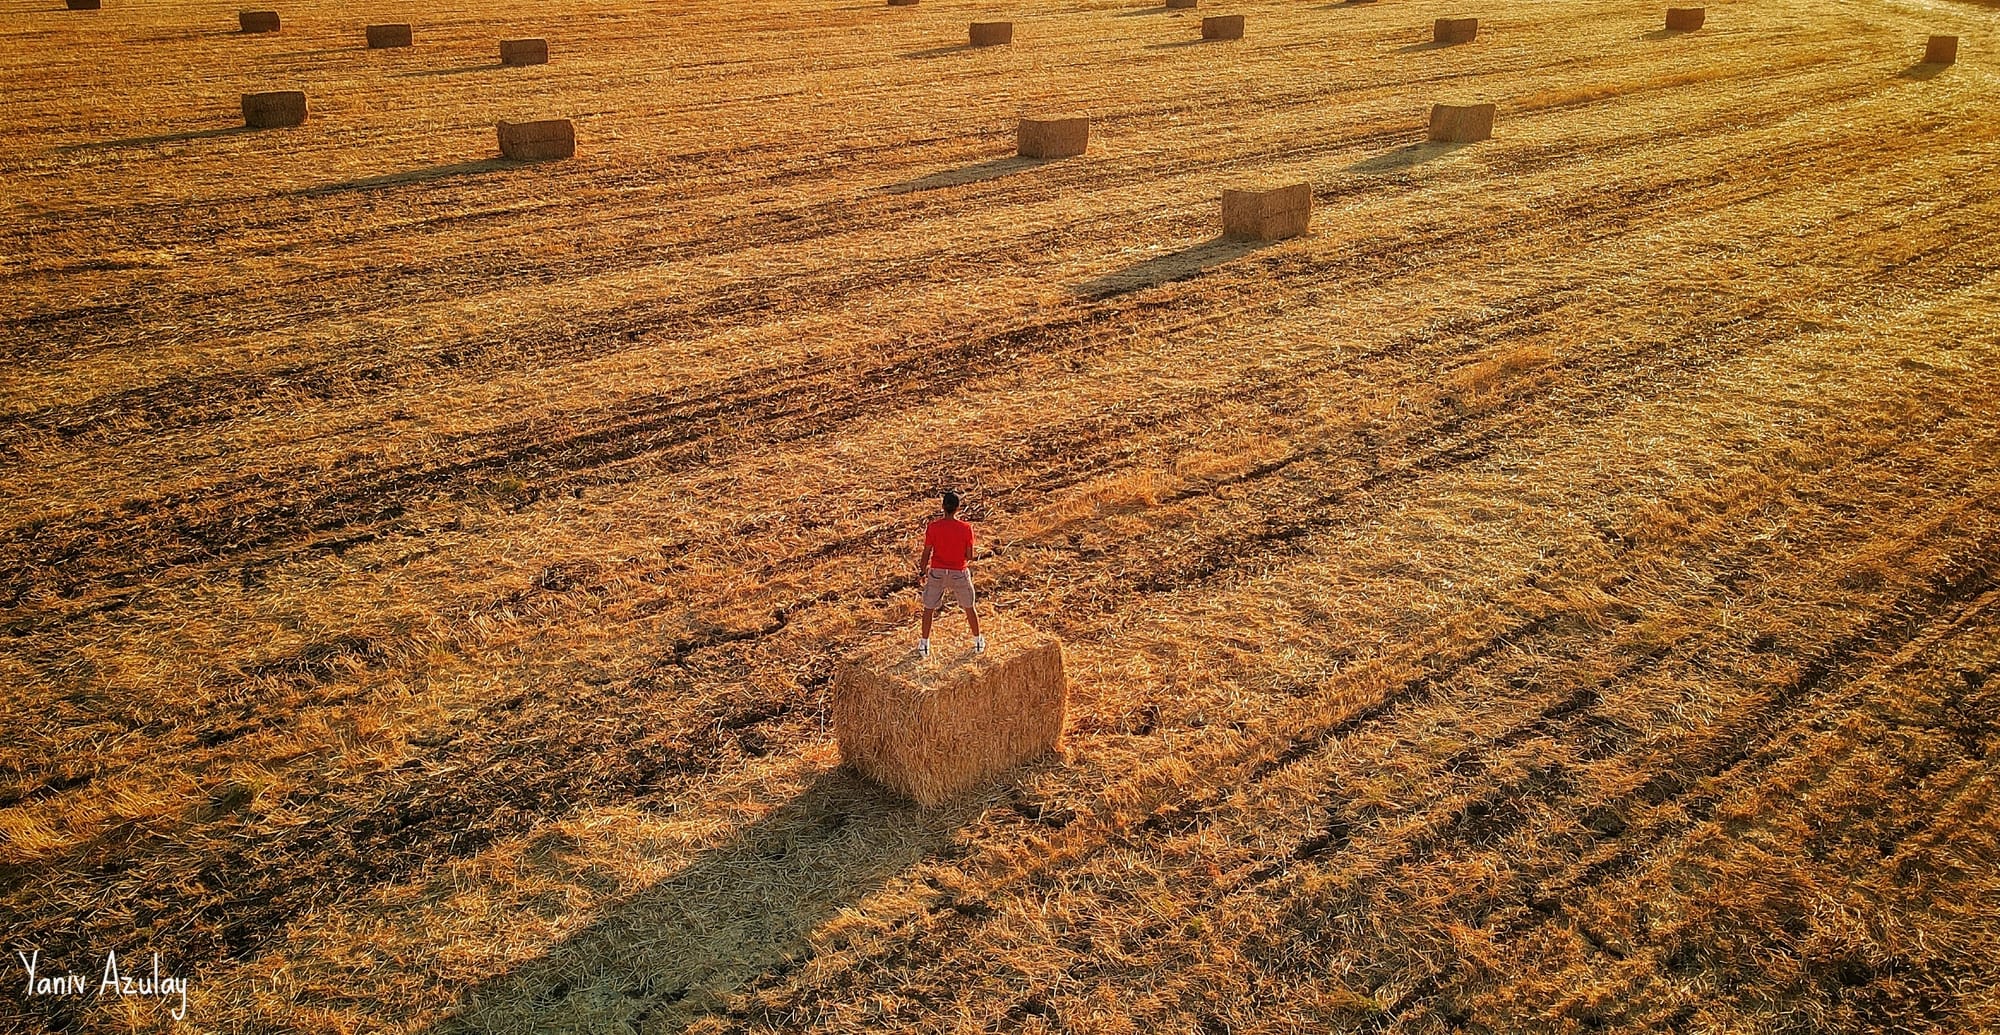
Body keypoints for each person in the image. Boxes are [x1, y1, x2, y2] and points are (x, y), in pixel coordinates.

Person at [916, 489, 983, 657]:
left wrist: (922, 571)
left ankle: (924, 644)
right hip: (959, 572)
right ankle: (977, 641)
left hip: (937, 572)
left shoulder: (933, 527)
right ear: (958, 508)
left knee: (929, 608)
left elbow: (926, 552)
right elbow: (969, 556)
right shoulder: (966, 528)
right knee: (969, 606)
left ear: (943, 507)